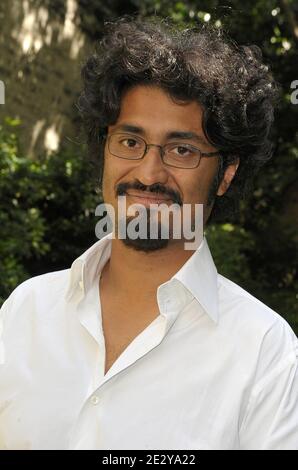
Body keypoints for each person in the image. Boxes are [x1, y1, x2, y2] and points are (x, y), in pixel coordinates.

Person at [0, 16, 297, 451]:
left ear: (226, 173)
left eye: (182, 150)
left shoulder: (266, 355)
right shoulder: (26, 310)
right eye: (130, 141)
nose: (148, 173)